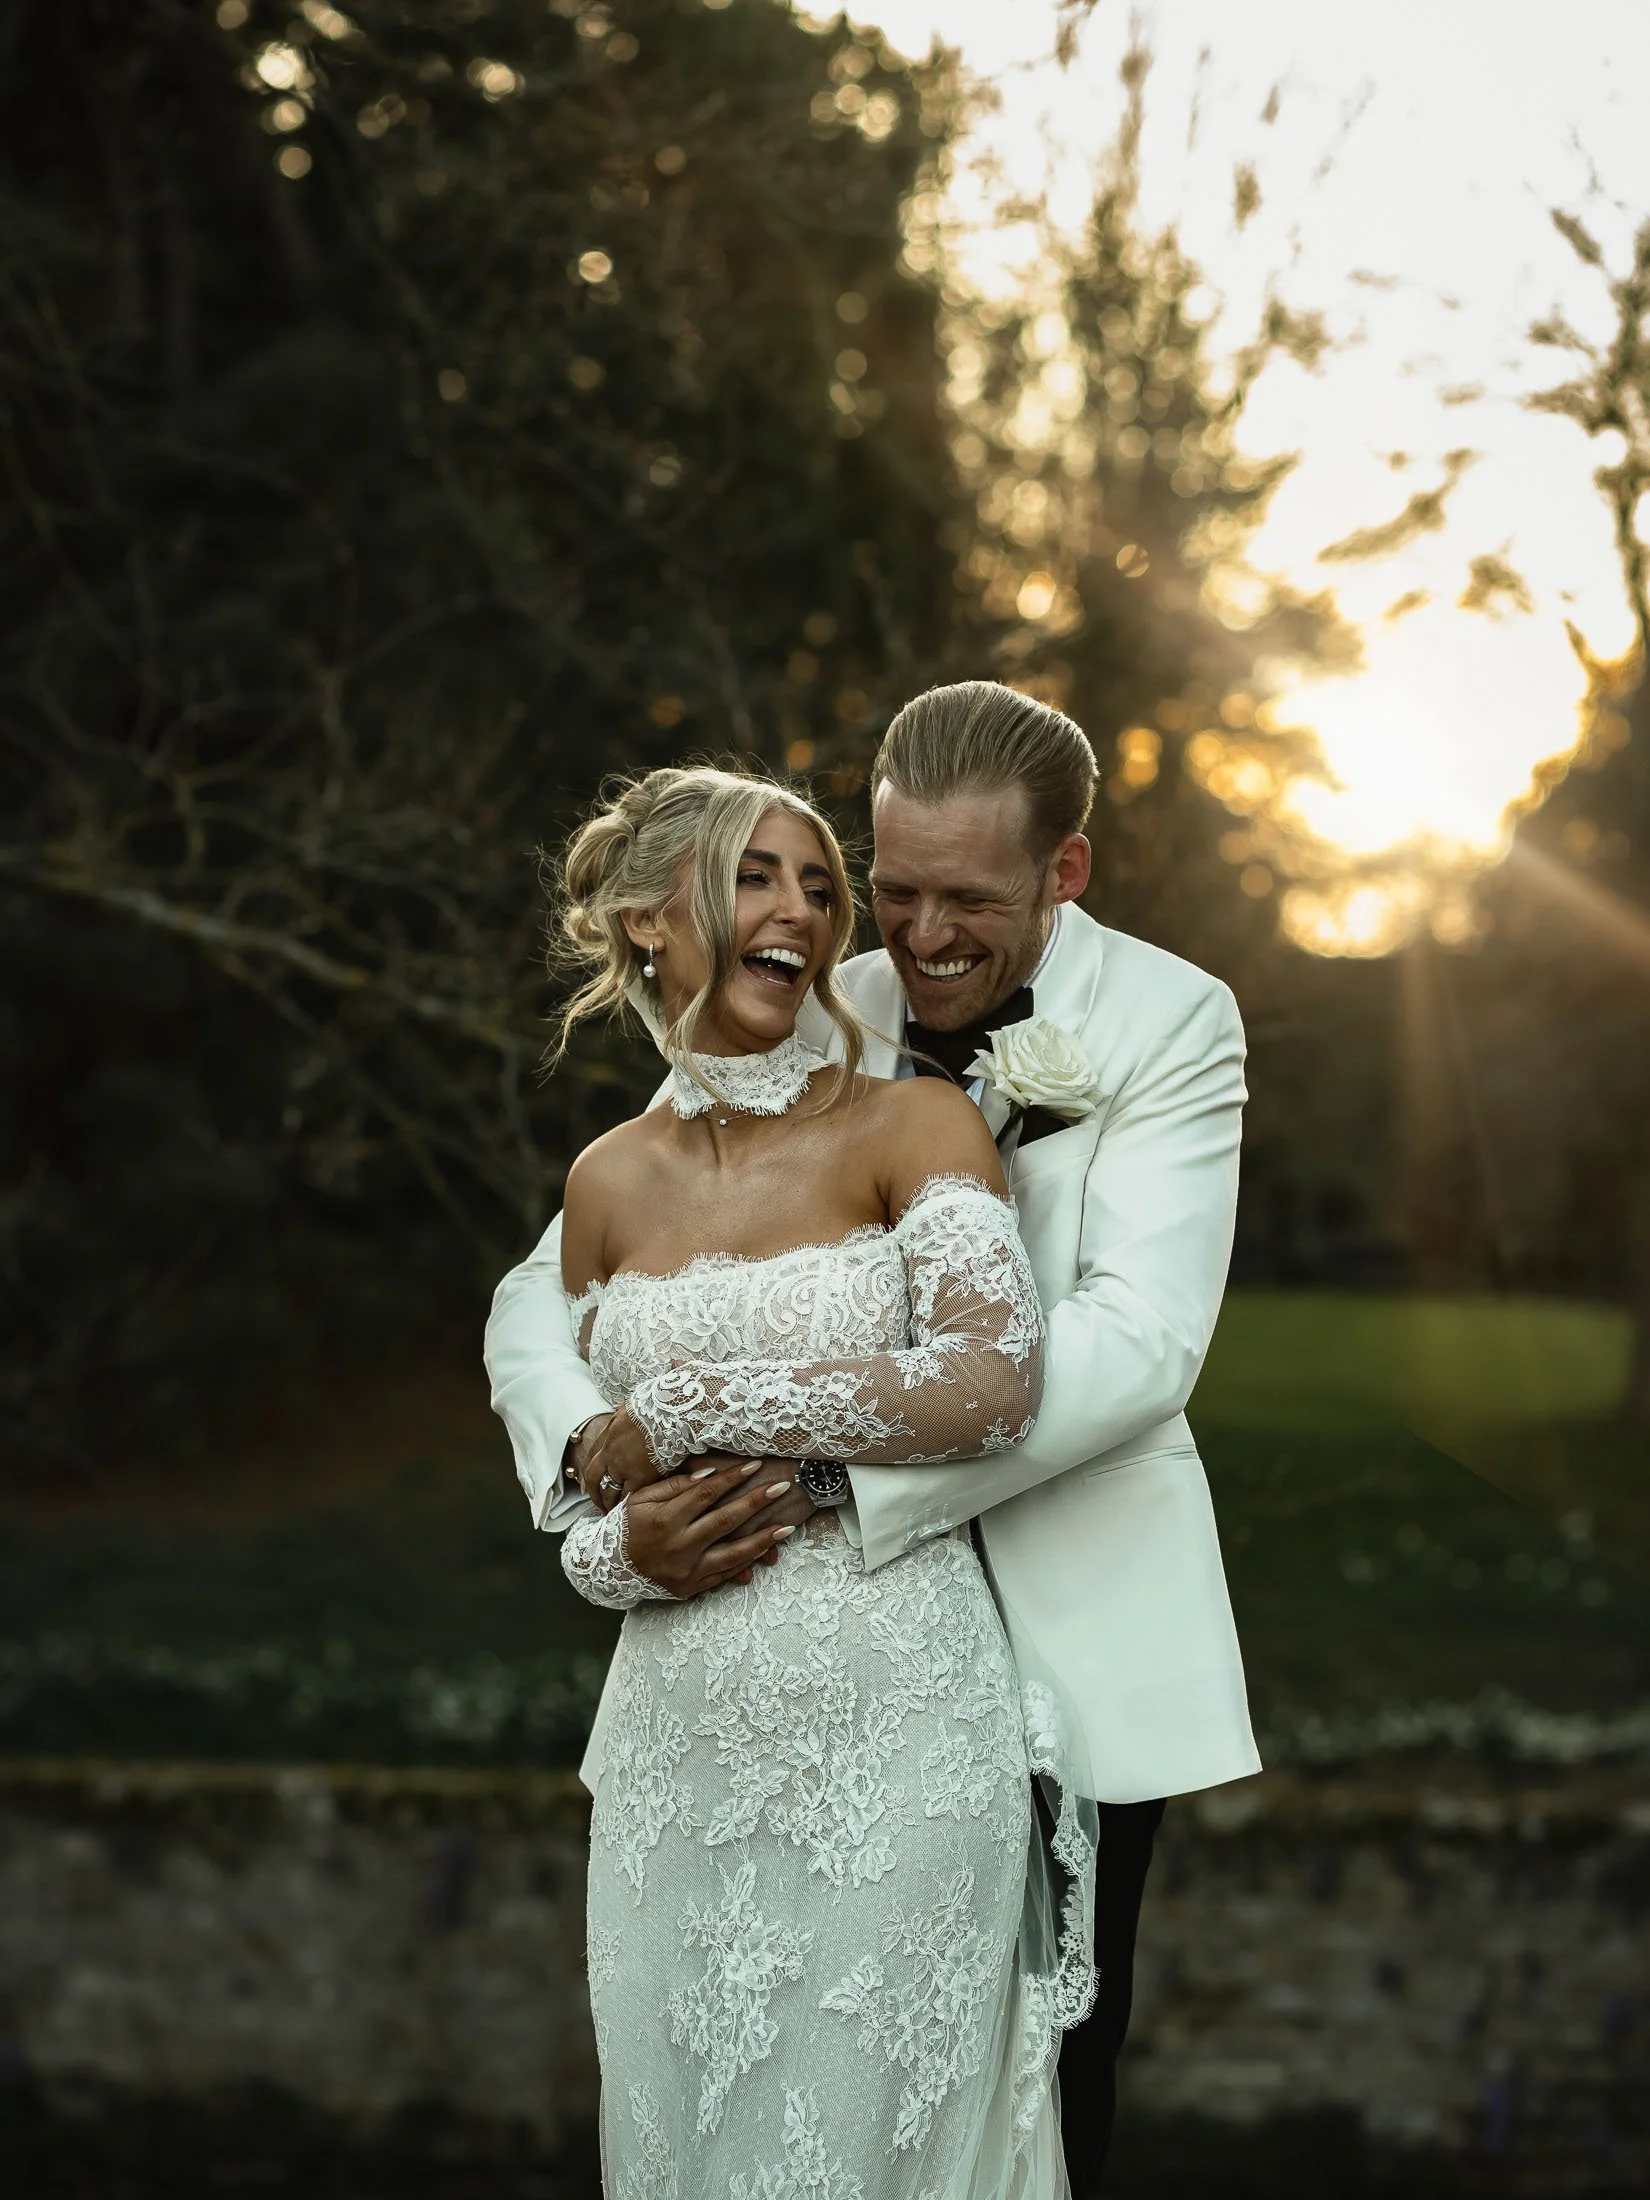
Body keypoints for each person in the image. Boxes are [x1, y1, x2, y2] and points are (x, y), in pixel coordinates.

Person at [488, 682, 1259, 2195]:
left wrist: (818, 1474)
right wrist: (592, 1464)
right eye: (894, 892)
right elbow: (565, 1279)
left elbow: (1137, 1343)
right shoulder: (814, 990)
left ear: (1064, 872)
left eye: (968, 901)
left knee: (1043, 2085)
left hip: (1066, 1604)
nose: (921, 937)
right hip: (753, 1660)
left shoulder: (1172, 1019)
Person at [528, 762, 1095, 2200]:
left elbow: (989, 1381)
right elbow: (599, 1483)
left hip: (894, 1736)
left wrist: (694, 1403)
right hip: (673, 1753)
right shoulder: (601, 1183)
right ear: (650, 921)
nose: (802, 910)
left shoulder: (913, 1125)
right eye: (755, 874)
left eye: (820, 886)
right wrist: (610, 1559)